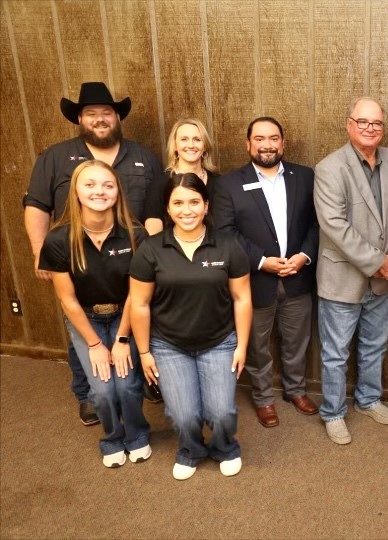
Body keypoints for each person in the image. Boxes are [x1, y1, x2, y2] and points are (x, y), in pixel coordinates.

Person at [23, 81, 167, 424]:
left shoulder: (144, 156)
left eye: (106, 113)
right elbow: (37, 205)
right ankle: (88, 393)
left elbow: (156, 209)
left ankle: (139, 379)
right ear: (79, 119)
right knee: (82, 330)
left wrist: (156, 257)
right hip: (78, 257)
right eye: (91, 114)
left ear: (117, 117)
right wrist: (39, 250)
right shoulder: (55, 157)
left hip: (133, 258)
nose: (99, 120)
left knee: (138, 319)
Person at [129, 174, 252, 480]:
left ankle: (225, 447)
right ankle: (191, 450)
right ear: (168, 209)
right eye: (178, 203)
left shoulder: (227, 245)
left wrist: (241, 346)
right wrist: (144, 352)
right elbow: (140, 304)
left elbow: (242, 298)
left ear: (206, 205)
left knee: (222, 413)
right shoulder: (150, 249)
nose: (187, 210)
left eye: (195, 201)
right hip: (168, 345)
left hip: (220, 341)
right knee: (183, 417)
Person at [314, 97, 388, 445]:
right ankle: (333, 411)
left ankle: (369, 399)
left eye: (377, 123)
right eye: (363, 122)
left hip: (385, 279)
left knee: (375, 345)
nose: (370, 129)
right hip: (343, 278)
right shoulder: (329, 168)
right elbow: (334, 226)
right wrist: (380, 262)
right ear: (349, 125)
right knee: (335, 352)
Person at [38, 160, 151, 468]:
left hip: (125, 315)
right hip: (85, 318)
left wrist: (123, 338)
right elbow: (68, 300)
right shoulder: (58, 239)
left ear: (117, 192)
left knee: (127, 384)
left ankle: (137, 434)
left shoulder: (135, 236)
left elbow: (136, 294)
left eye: (107, 185)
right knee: (102, 390)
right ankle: (112, 437)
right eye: (89, 184)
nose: (99, 191)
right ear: (76, 191)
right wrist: (94, 344)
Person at [213, 117, 319, 427]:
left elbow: (317, 223)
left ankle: (295, 390)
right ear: (248, 144)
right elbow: (225, 232)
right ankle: (263, 399)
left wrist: (304, 255)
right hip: (254, 280)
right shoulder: (229, 184)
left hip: (298, 275)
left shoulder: (305, 177)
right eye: (259, 138)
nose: (267, 144)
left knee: (297, 340)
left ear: (283, 143)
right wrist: (261, 260)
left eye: (274, 138)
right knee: (257, 346)